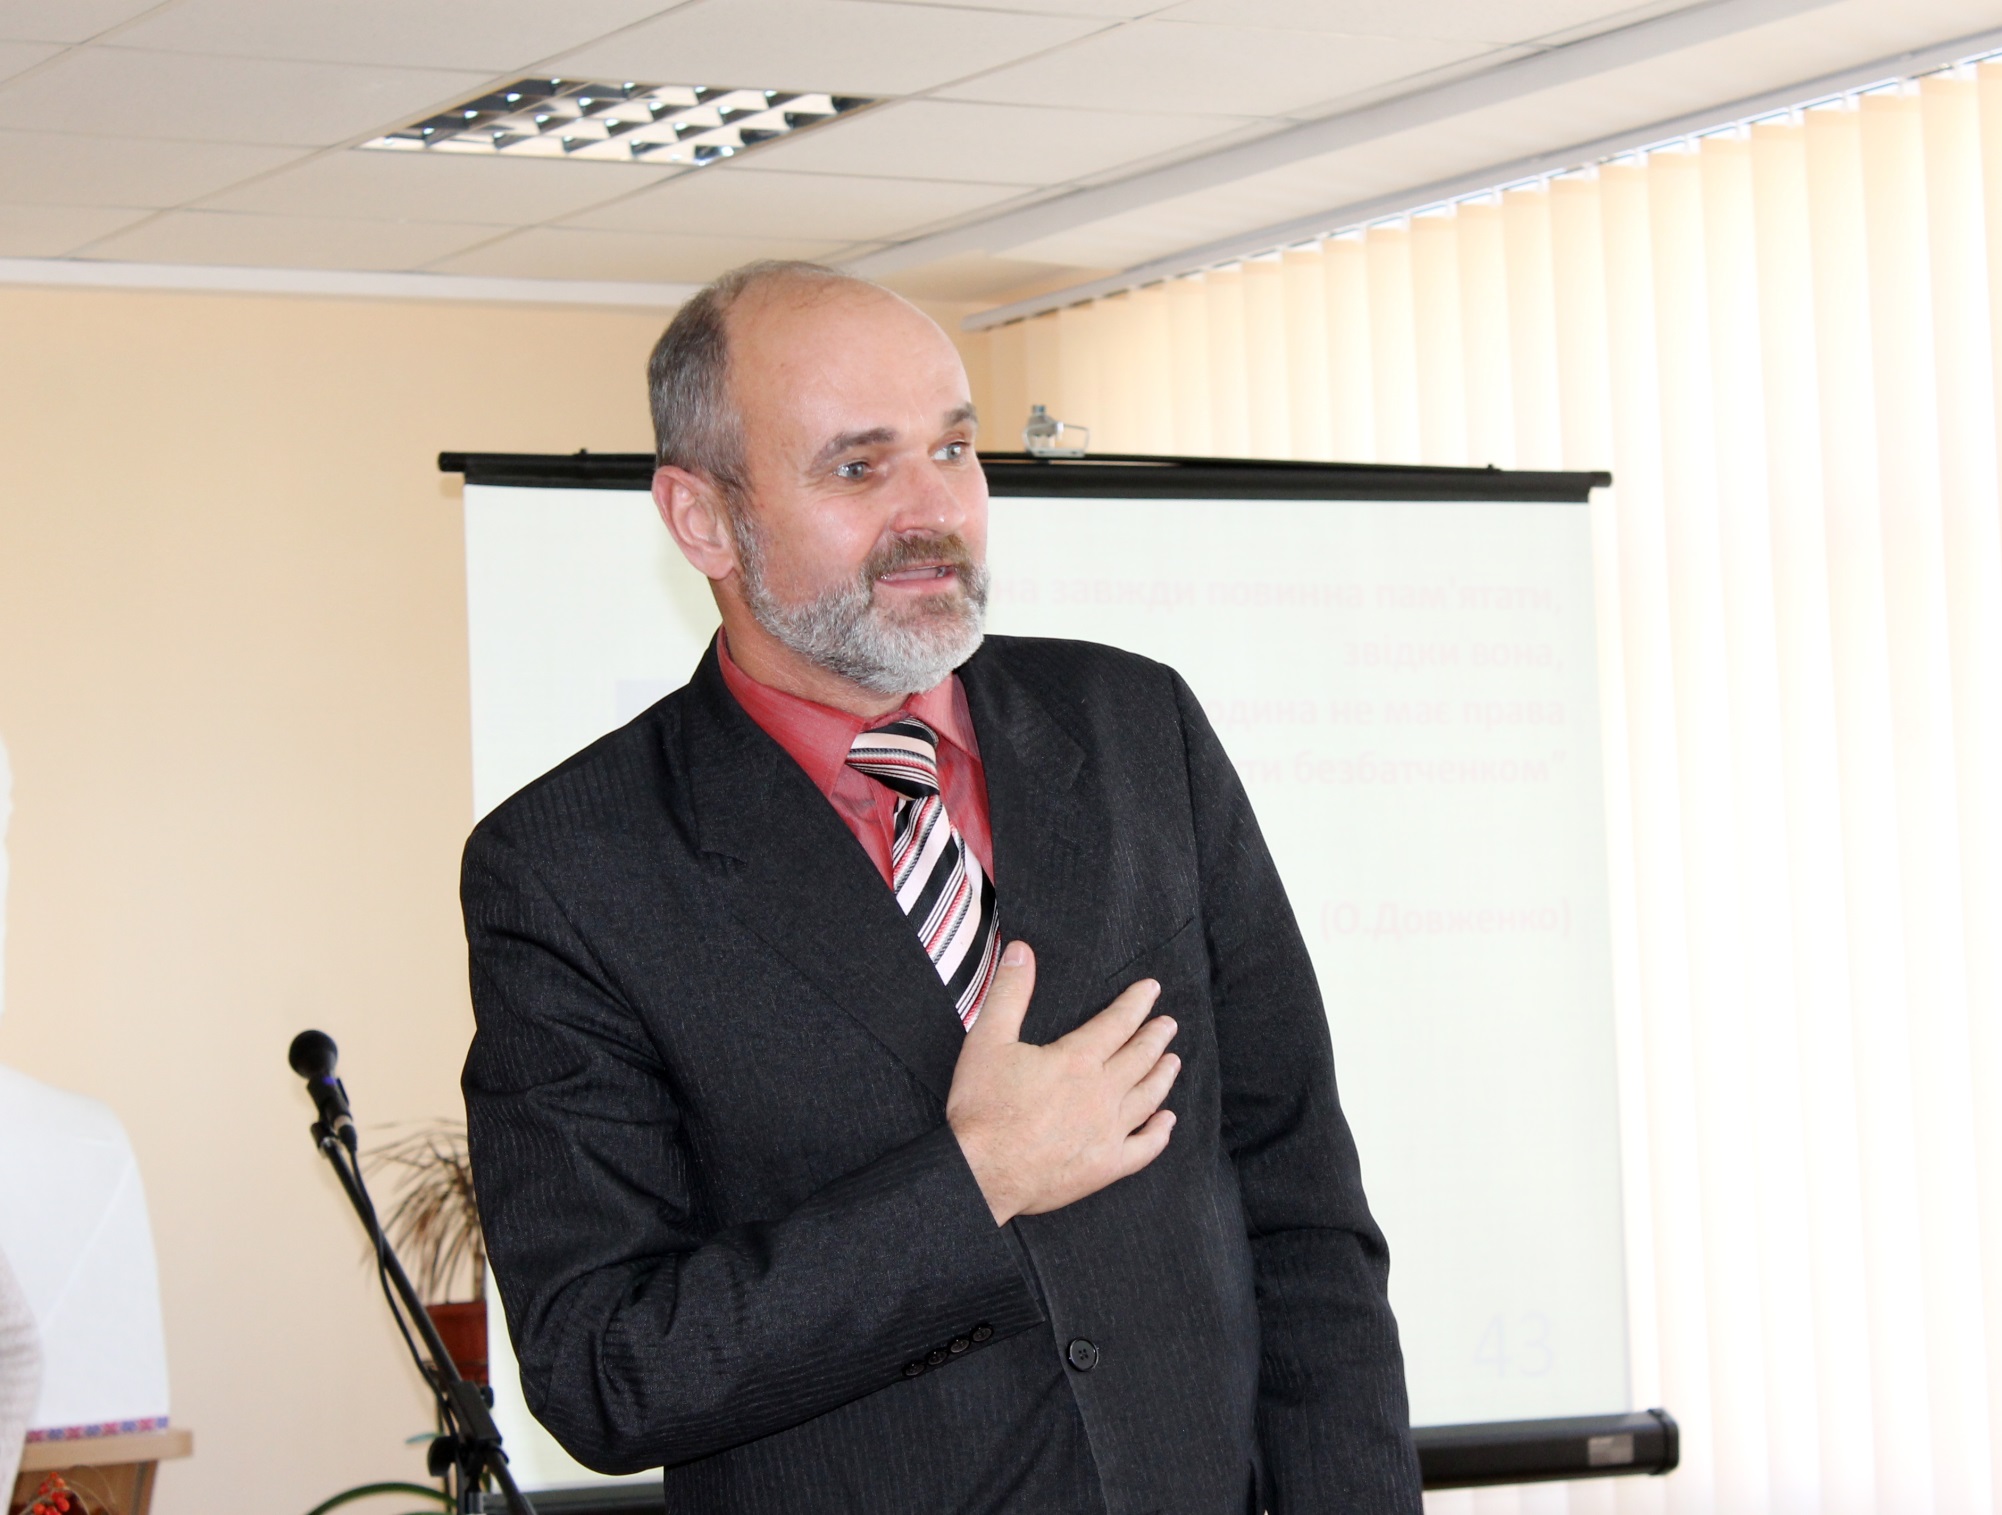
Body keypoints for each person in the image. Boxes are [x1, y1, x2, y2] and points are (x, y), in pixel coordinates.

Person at [461, 261, 1421, 1514]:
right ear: (702, 521)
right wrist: (977, 1184)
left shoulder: (1136, 729)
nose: (934, 511)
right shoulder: (571, 866)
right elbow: (607, 1369)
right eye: (859, 467)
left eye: (954, 449)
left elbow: (1301, 1207)